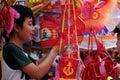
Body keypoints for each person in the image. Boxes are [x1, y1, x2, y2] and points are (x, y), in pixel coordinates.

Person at [1, 5, 59, 80]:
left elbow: (37, 63)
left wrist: (56, 49)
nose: (33, 28)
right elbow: (38, 73)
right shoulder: (10, 48)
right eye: (30, 24)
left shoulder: (18, 49)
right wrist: (55, 51)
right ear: (17, 27)